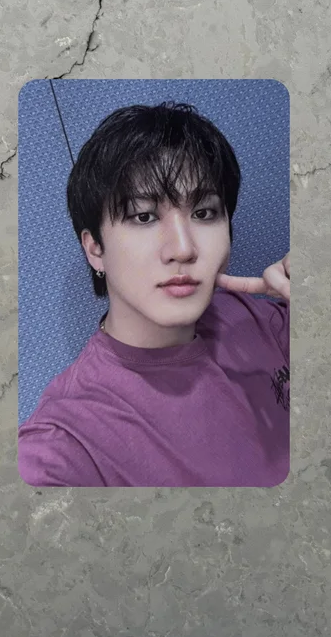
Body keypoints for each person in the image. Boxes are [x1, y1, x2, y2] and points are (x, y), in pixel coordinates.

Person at [18, 102, 290, 487]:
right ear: (95, 249)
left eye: (204, 213)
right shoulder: (68, 442)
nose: (183, 248)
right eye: (143, 216)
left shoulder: (254, 316)